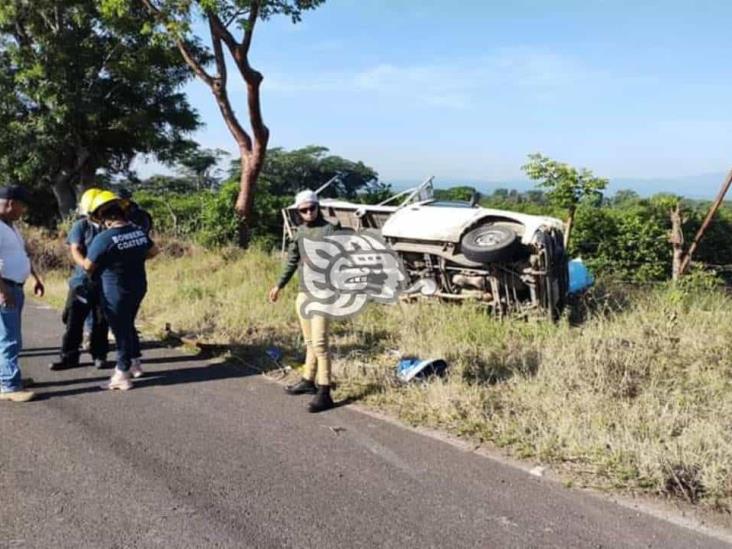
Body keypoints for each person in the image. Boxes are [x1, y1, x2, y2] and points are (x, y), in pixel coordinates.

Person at [268, 190, 339, 413]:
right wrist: (279, 285)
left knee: (320, 344)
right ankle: (308, 380)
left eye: (312, 208)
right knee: (308, 342)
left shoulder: (330, 230)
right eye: (303, 210)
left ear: (318, 207)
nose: (309, 213)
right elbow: (291, 261)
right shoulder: (299, 233)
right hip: (304, 293)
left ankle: (325, 391)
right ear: (298, 211)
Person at [83, 192, 158, 391]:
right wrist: (132, 258)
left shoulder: (104, 238)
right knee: (128, 324)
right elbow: (153, 252)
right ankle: (135, 362)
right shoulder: (137, 232)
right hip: (138, 286)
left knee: (120, 330)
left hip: (114, 290)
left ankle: (122, 372)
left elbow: (88, 266)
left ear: (104, 218)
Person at [50, 188, 110, 370]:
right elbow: (75, 249)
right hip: (82, 282)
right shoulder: (81, 226)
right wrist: (85, 264)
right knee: (73, 320)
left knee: (101, 321)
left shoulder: (110, 227)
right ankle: (69, 357)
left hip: (104, 282)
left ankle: (99, 355)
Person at [0, 185, 45, 402]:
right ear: (9, 203)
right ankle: (9, 385)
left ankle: (7, 377)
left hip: (15, 286)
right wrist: (2, 291)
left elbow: (20, 255)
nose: (23, 210)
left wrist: (35, 277)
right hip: (5, 289)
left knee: (12, 338)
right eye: (22, 205)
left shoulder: (11, 227)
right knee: (8, 339)